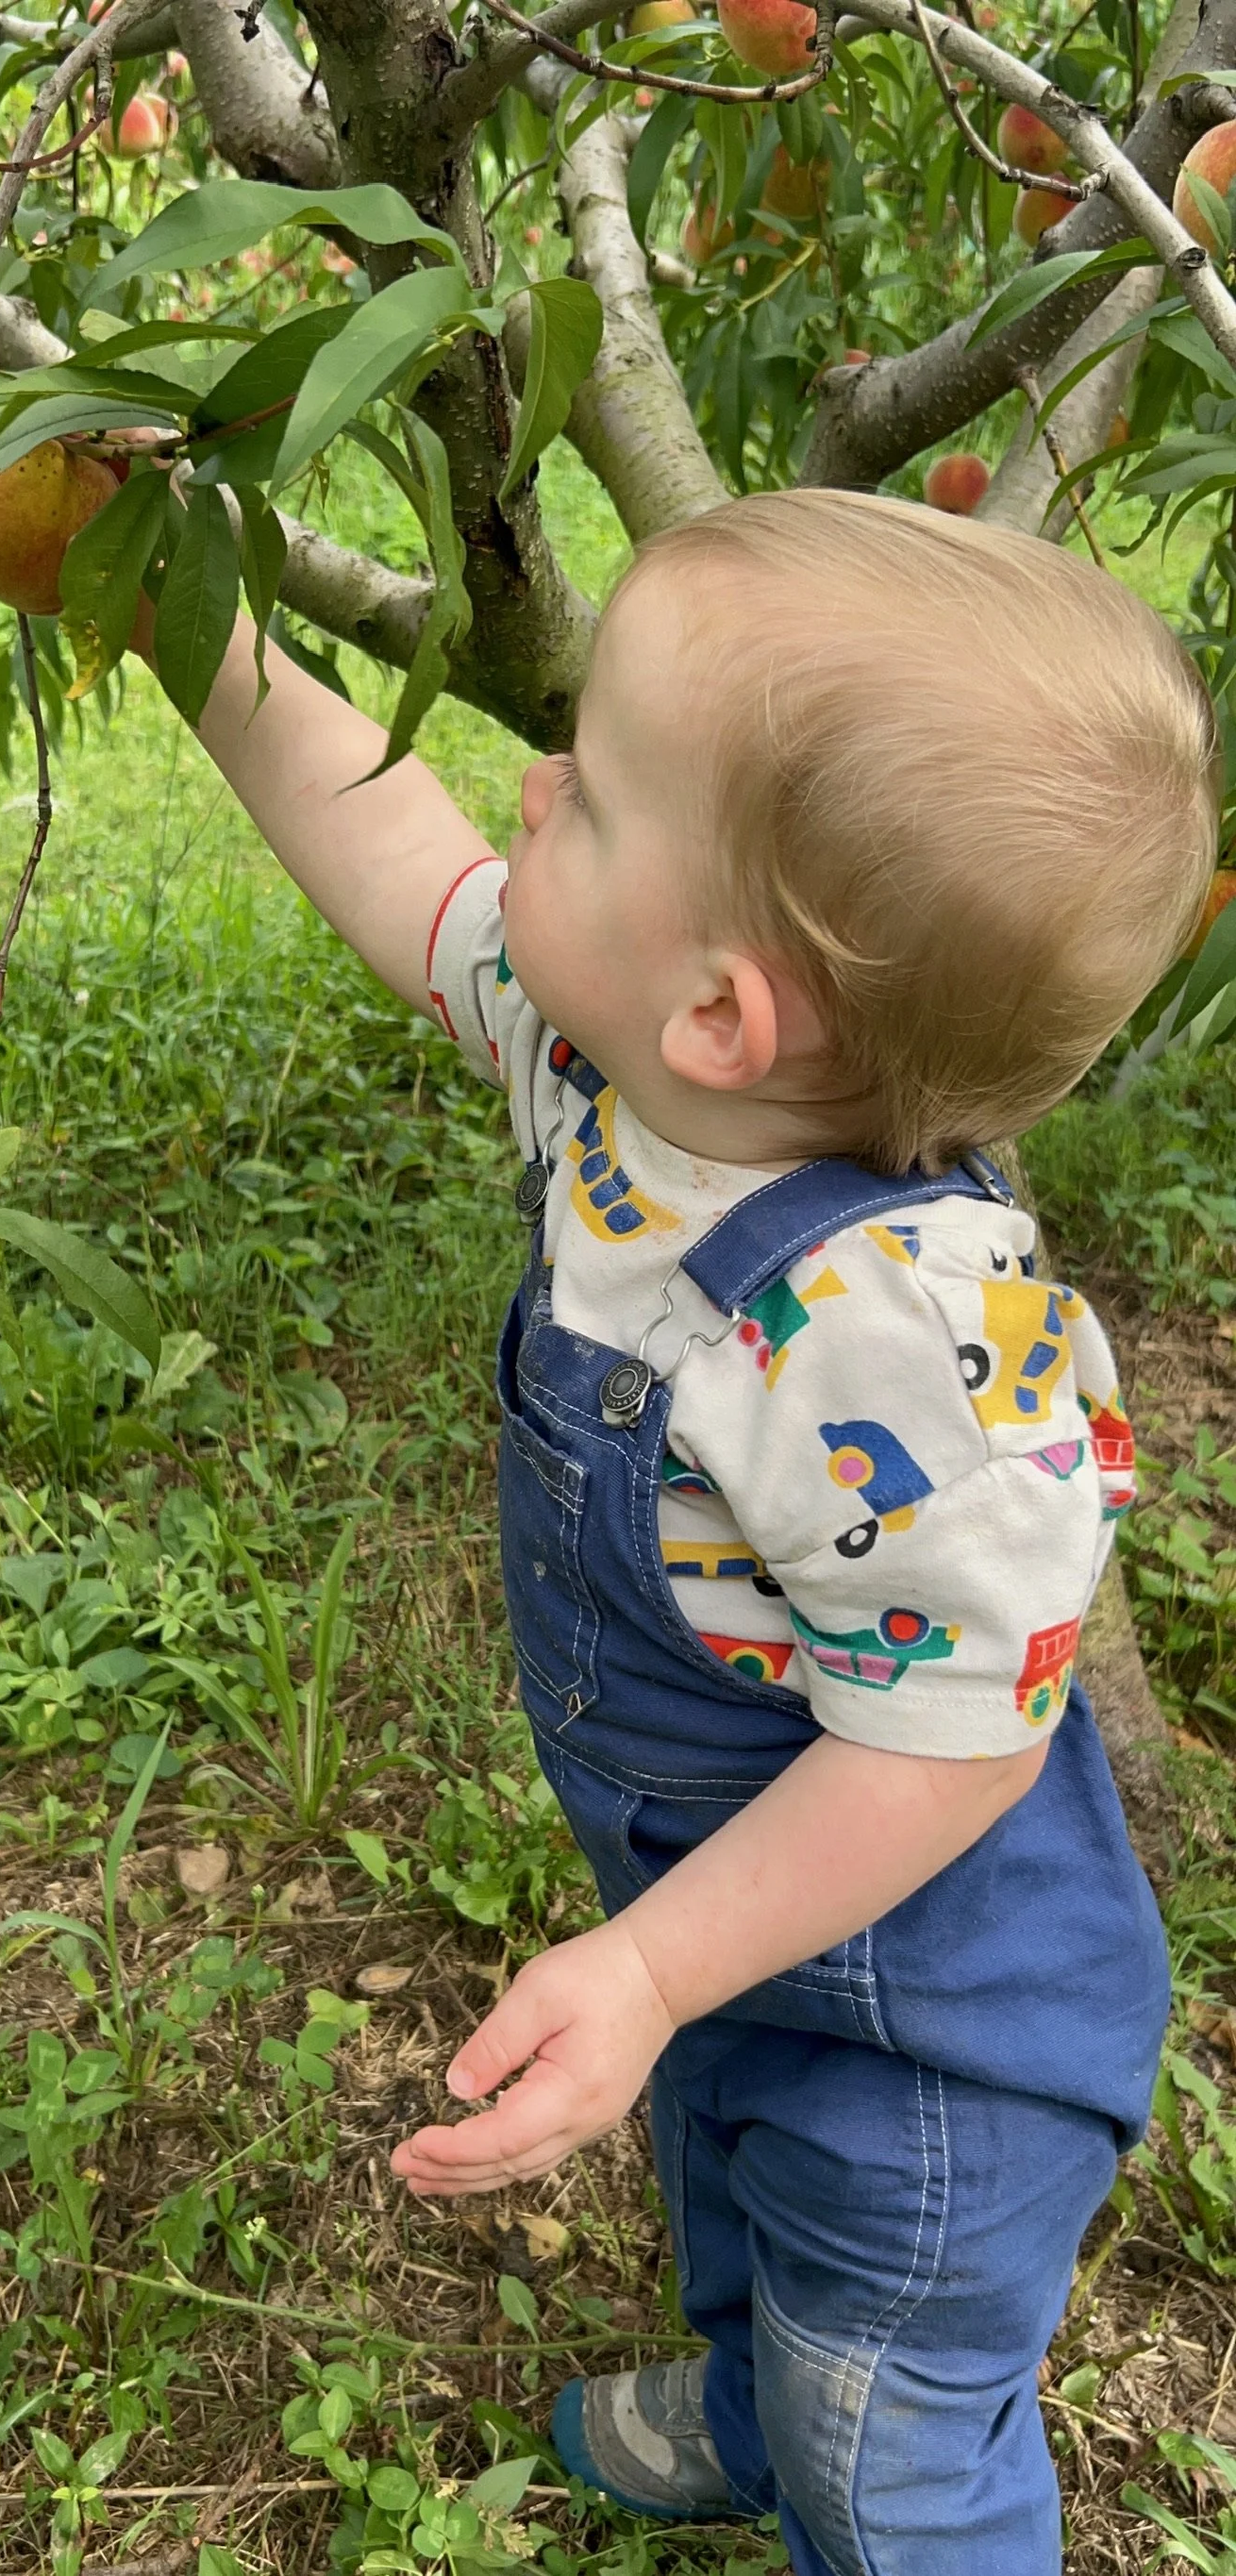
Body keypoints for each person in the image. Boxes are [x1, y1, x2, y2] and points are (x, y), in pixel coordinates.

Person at [132, 488, 1220, 2575]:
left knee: (889, 2429)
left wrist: (645, 1961)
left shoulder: (894, 1346)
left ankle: (824, 2446)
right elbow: (402, 864)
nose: (529, 789)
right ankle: (748, 2407)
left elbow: (964, 1739)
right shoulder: (618, 1082)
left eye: (598, 792)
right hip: (747, 1944)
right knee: (728, 2171)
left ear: (725, 1009)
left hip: (935, 2047)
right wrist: (186, 610)